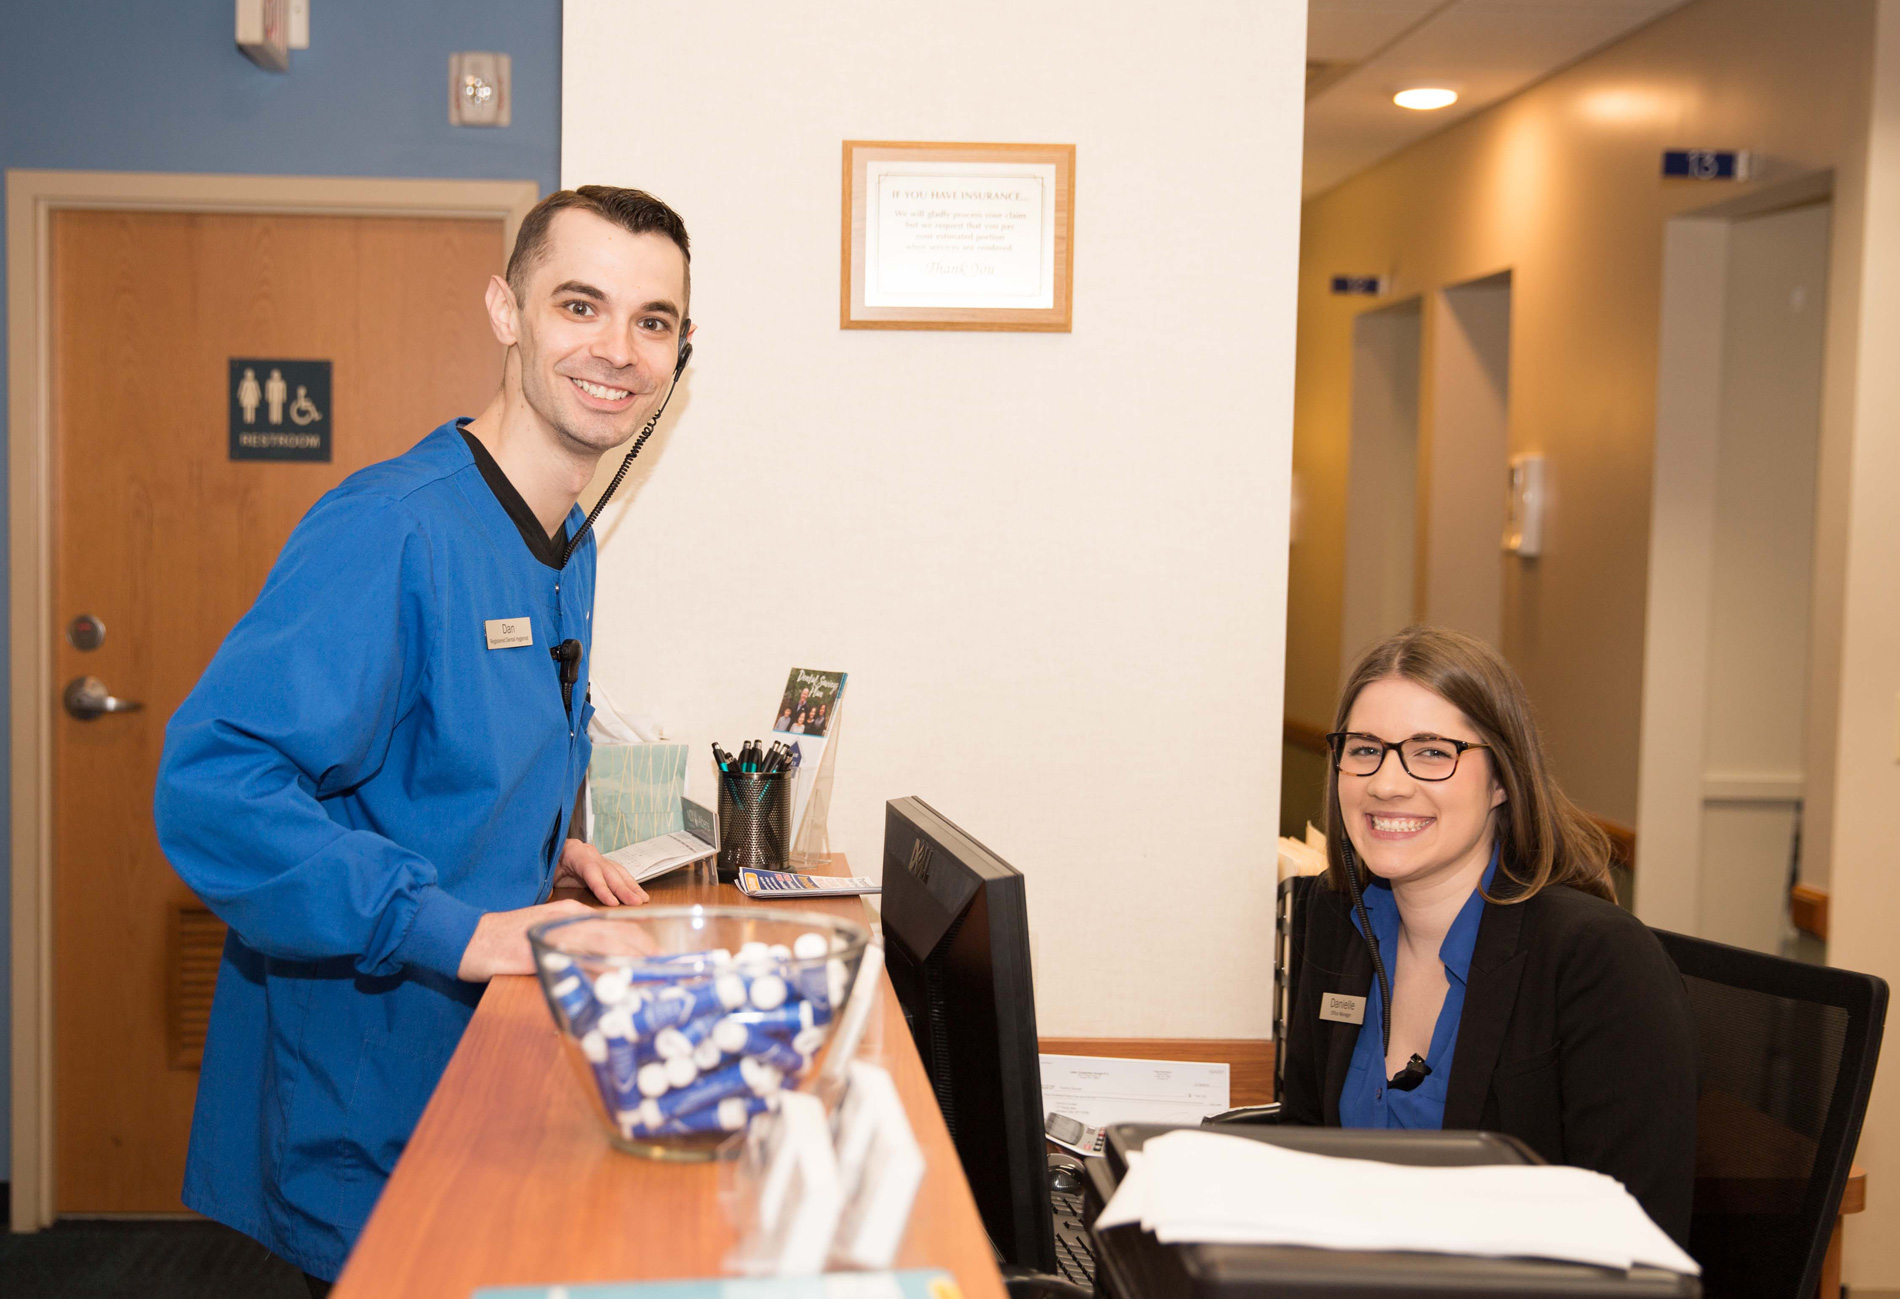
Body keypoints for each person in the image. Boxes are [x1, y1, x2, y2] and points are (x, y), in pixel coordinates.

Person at [153, 186, 696, 1292]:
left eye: (653, 321)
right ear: (506, 311)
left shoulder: (567, 538)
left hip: (481, 1080)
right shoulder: (393, 526)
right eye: (580, 304)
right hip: (371, 1112)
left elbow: (442, 756)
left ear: (681, 354)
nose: (618, 349)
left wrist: (537, 852)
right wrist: (460, 928)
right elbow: (215, 788)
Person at [1278, 625, 1697, 1246]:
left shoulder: (1598, 960)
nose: (1386, 783)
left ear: (1502, 779)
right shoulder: (1337, 917)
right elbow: (1303, 1147)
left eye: (1432, 752)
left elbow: (1634, 1241)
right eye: (1365, 749)